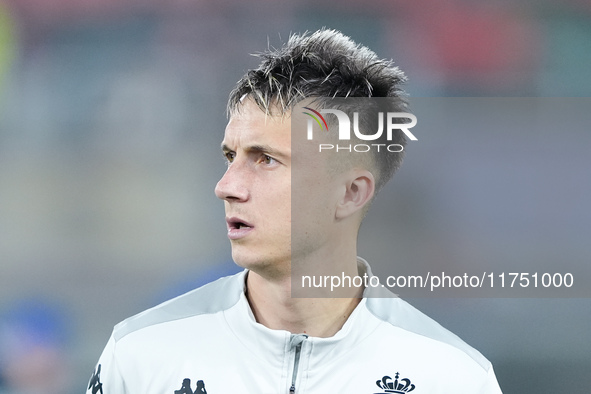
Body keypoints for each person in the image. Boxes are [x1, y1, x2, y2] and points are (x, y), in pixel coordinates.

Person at [87, 29, 503, 393]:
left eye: (266, 159)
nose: (226, 186)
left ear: (351, 194)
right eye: (230, 156)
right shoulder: (140, 355)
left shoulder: (452, 378)